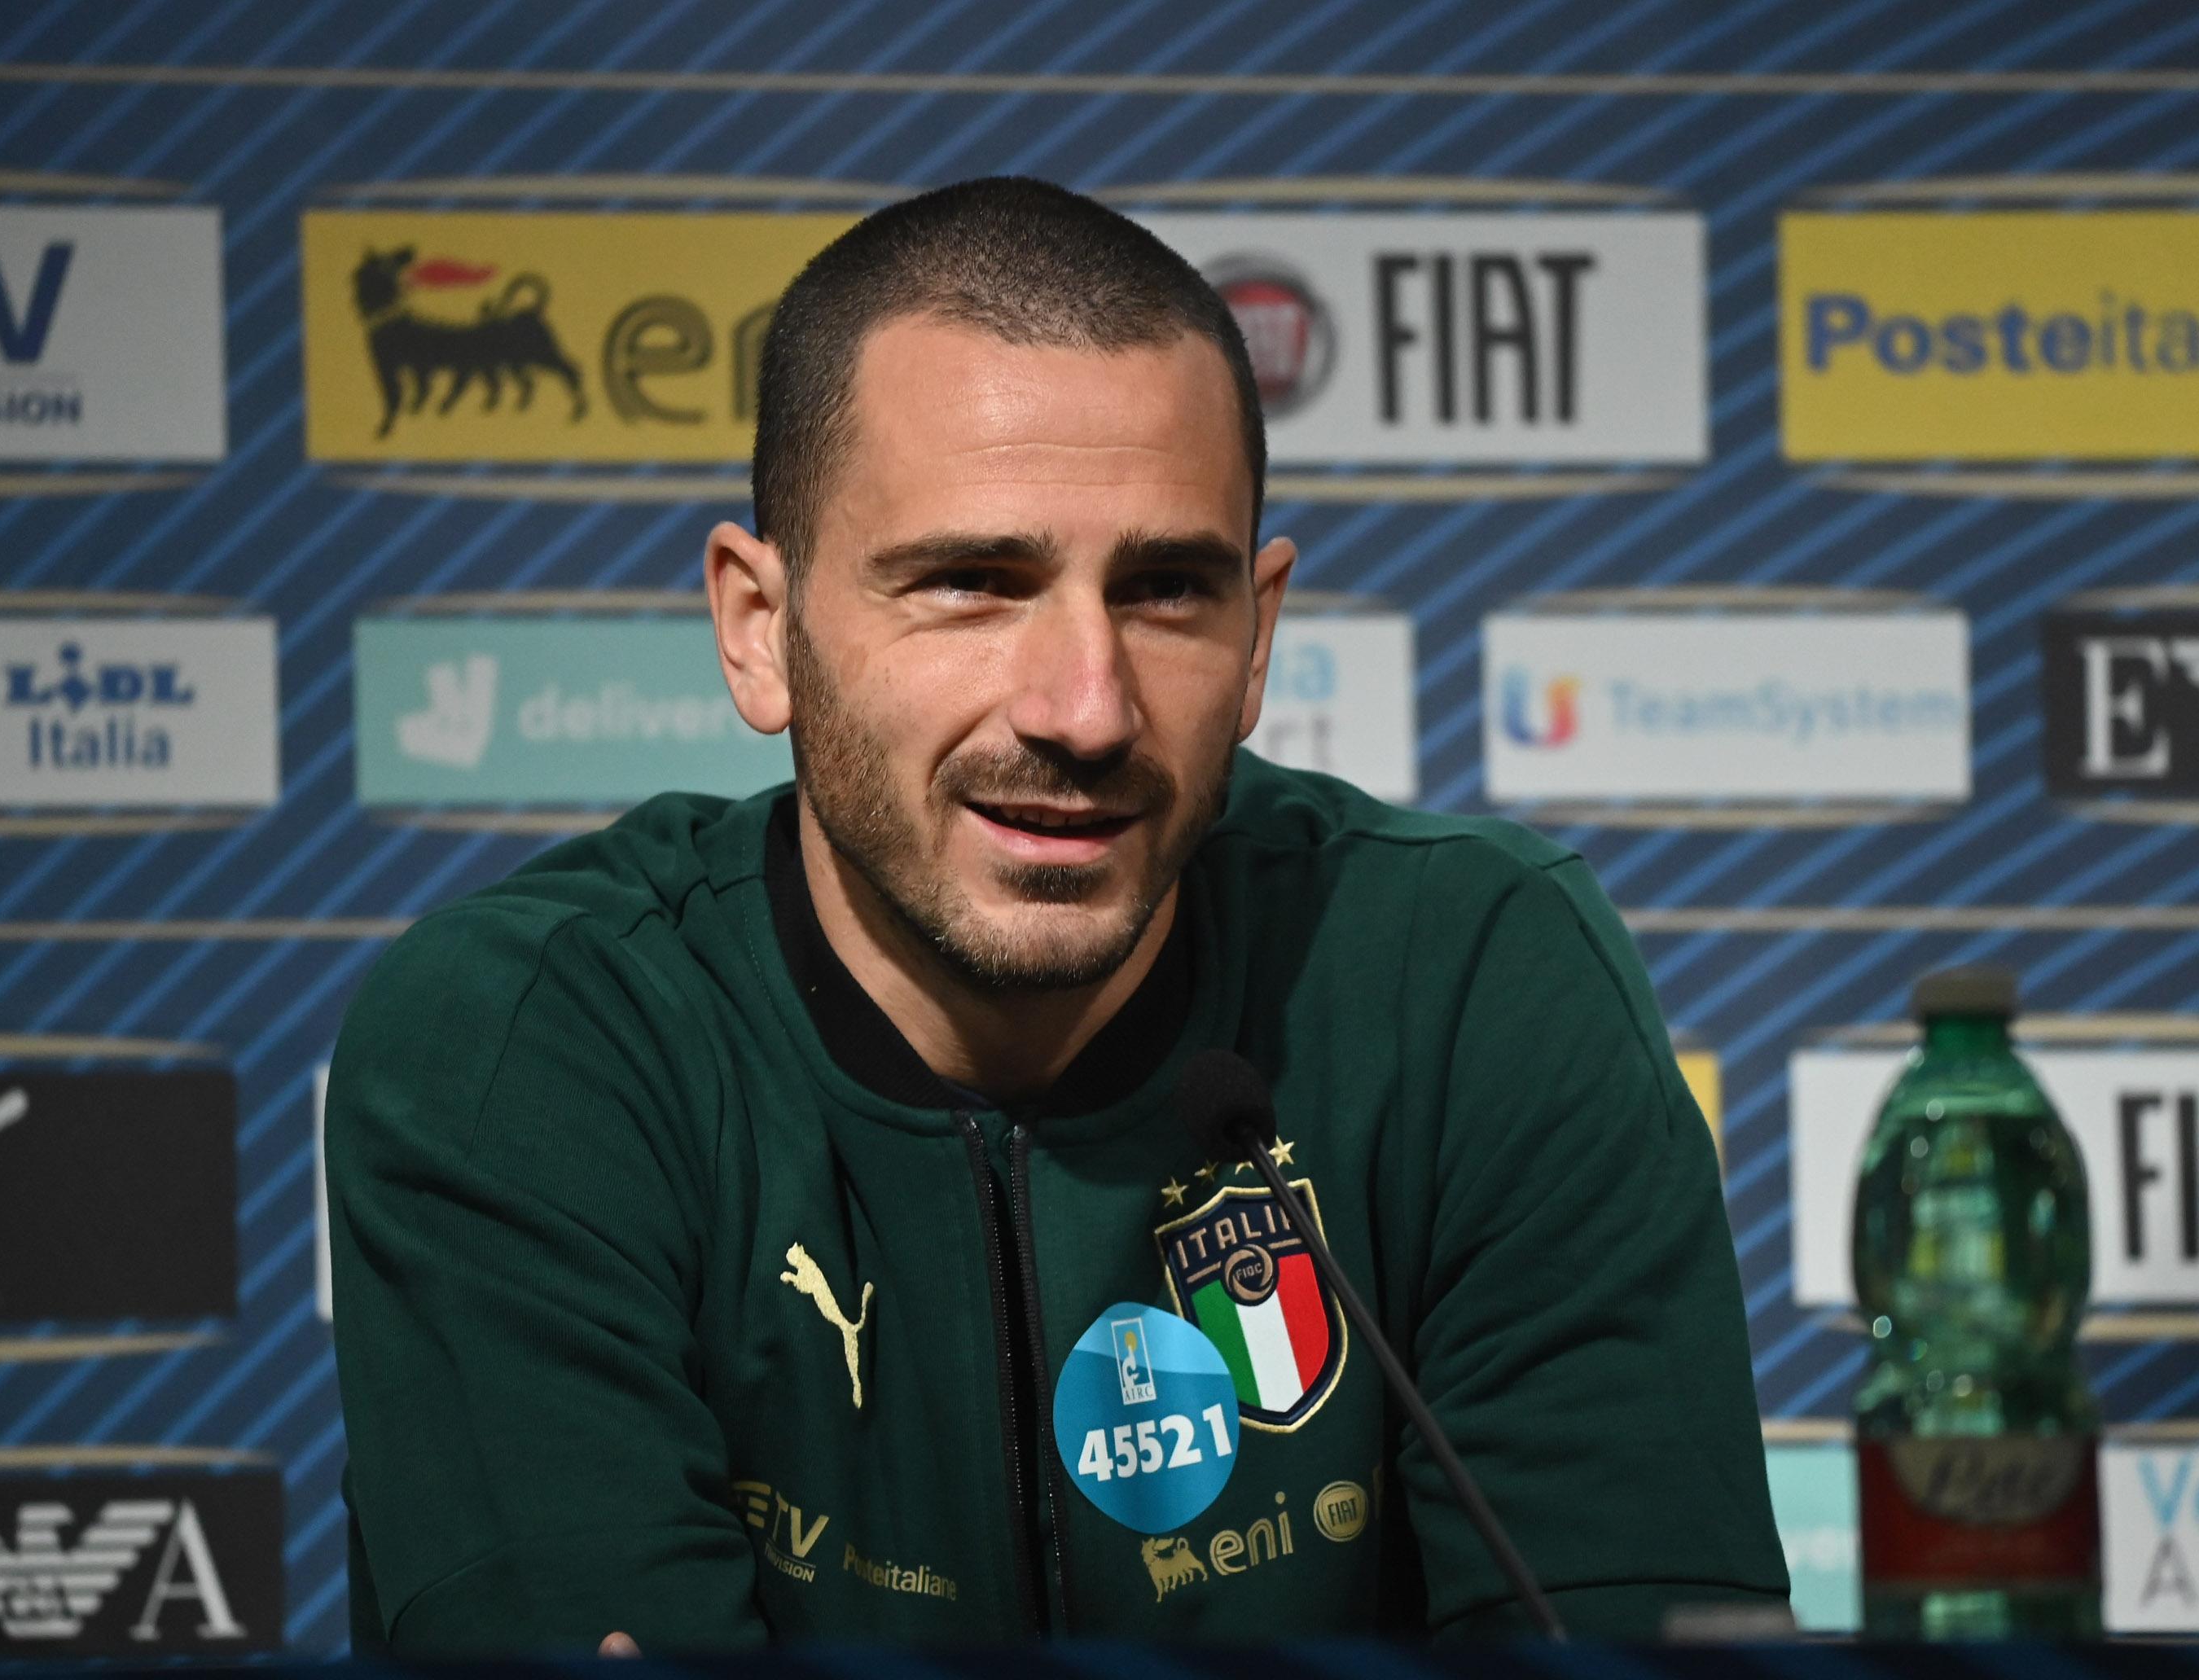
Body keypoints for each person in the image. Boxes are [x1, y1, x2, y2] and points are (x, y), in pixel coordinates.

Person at [327, 177, 1789, 1655]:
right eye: (971, 583)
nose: (1086, 709)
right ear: (760, 631)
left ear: (1261, 634)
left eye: (1165, 592)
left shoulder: (1475, 979)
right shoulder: (525, 1047)